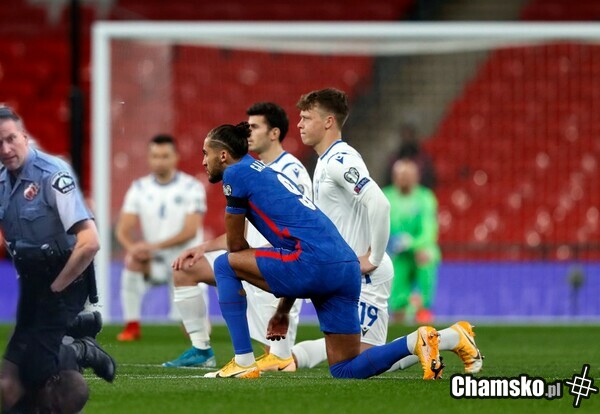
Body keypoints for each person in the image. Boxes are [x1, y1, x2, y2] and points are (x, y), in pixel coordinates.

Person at [187, 120, 442, 380]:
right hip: (346, 267)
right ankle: (415, 341)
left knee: (224, 264)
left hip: (312, 263)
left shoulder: (235, 173)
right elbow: (292, 246)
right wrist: (282, 310)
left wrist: (256, 277)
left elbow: (236, 246)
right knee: (345, 368)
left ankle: (243, 361)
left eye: (206, 154)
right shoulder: (265, 172)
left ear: (223, 155)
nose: (204, 162)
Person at [291, 89, 481, 376]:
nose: (299, 124)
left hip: (363, 275)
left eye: (306, 118)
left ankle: (426, 339)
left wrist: (374, 258)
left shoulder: (340, 159)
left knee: (348, 367)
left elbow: (379, 203)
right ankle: (452, 337)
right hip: (350, 275)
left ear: (328, 121)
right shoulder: (325, 161)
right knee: (370, 359)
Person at [162, 102, 311, 371]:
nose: (248, 132)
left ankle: (343, 349)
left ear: (274, 133)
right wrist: (204, 247)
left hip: (274, 266)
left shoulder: (291, 171)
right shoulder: (250, 169)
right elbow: (239, 233)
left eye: (255, 126)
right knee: (185, 267)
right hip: (245, 258)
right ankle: (201, 350)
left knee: (279, 362)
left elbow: (297, 228)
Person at [0, 105, 115, 413]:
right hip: (33, 282)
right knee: (9, 386)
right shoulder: (1, 181)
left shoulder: (53, 174)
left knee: (36, 366)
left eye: (11, 139)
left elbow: (90, 243)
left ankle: (80, 350)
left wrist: (55, 289)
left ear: (24, 137)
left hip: (66, 276)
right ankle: (75, 336)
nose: (6, 149)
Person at [115, 134, 210, 342]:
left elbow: (190, 230)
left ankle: (196, 322)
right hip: (154, 261)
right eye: (155, 156)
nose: (159, 161)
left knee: (197, 332)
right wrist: (133, 248)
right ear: (149, 158)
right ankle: (132, 325)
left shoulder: (191, 187)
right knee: (132, 260)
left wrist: (153, 246)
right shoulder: (139, 187)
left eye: (165, 156)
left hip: (186, 262)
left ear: (175, 157)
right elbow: (123, 228)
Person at [383, 159, 441, 324]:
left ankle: (424, 310)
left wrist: (413, 244)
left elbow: (429, 231)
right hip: (395, 252)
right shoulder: (385, 196)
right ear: (394, 176)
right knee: (397, 294)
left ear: (416, 177)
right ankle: (399, 313)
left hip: (419, 249)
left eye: (408, 175)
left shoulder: (425, 197)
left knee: (426, 255)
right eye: (401, 175)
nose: (404, 179)